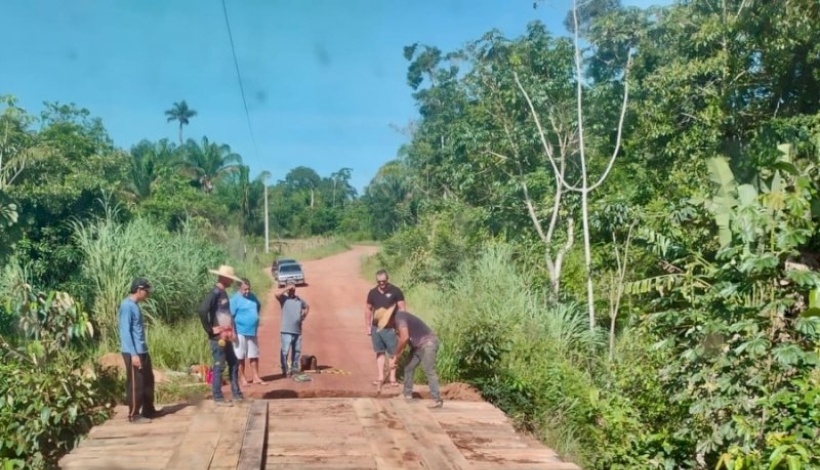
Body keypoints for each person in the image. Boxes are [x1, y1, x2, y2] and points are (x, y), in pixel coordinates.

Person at [376, 304, 443, 409]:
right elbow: (403, 343)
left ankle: (436, 400)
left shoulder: (400, 318)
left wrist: (394, 355)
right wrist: (396, 358)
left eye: (385, 324)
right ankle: (407, 394)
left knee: (429, 370)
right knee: (408, 367)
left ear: (388, 319)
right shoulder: (395, 324)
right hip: (418, 346)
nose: (386, 326)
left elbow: (405, 338)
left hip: (428, 343)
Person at [199, 264, 245, 406]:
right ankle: (218, 397)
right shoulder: (215, 293)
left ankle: (236, 393)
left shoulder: (223, 293)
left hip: (226, 336)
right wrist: (210, 329)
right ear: (224, 278)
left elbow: (226, 314)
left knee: (234, 362)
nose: (232, 282)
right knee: (219, 366)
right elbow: (202, 310)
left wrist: (233, 331)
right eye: (230, 279)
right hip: (218, 338)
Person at [119, 277, 159, 423]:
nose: (148, 294)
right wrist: (133, 354)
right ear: (139, 290)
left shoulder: (135, 305)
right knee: (137, 383)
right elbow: (125, 332)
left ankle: (148, 409)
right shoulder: (126, 306)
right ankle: (134, 414)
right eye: (146, 291)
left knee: (148, 380)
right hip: (133, 352)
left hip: (142, 350)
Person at [365, 269, 405, 387]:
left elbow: (402, 309)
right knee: (379, 352)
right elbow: (368, 309)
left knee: (393, 353)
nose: (381, 284)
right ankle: (381, 377)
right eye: (379, 282)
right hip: (376, 328)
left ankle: (393, 378)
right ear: (376, 281)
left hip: (390, 328)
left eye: (383, 281)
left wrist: (401, 326)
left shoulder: (396, 291)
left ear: (387, 279)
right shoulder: (372, 293)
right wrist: (368, 326)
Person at [230, 278, 264, 385]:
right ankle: (243, 378)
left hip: (252, 331)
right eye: (245, 289)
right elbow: (230, 316)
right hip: (239, 331)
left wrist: (254, 317)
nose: (247, 291)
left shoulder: (252, 296)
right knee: (240, 356)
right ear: (239, 288)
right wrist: (233, 332)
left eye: (248, 289)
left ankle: (256, 377)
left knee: (254, 355)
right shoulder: (235, 299)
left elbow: (258, 305)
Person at [275, 280, 309, 377]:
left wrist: (303, 317)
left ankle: (294, 368)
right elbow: (276, 294)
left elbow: (307, 307)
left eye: (293, 288)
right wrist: (286, 288)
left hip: (297, 331)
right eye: (290, 289)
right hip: (286, 330)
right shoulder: (284, 299)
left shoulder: (299, 300)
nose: (292, 290)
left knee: (297, 351)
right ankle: (285, 370)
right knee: (285, 351)